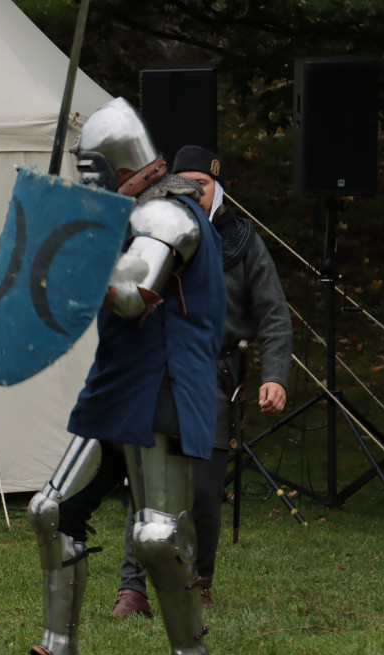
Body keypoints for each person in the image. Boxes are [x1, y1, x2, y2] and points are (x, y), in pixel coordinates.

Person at [21, 99, 226, 655]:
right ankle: (58, 652)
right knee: (52, 511)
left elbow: (132, 291)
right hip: (118, 385)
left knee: (158, 535)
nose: (89, 185)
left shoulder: (170, 216)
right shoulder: (130, 216)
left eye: (93, 173)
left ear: (116, 167)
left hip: (163, 381)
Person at [111, 145, 292, 618]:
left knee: (205, 492)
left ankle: (198, 580)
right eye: (183, 182)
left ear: (219, 191)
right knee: (149, 485)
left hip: (214, 378)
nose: (192, 191)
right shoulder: (151, 236)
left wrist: (276, 376)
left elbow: (274, 315)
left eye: (202, 183)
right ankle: (133, 589)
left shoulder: (244, 242)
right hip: (157, 371)